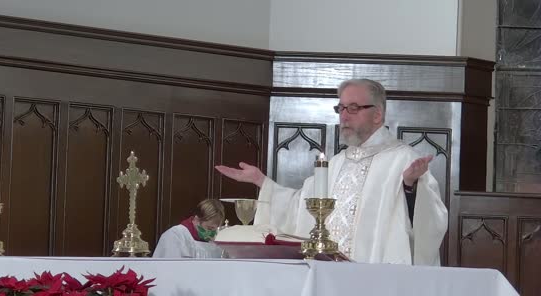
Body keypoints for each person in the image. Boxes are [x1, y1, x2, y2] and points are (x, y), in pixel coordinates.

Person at [215, 79, 448, 265]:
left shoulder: (402, 159)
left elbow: (431, 223)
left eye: (354, 108)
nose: (344, 115)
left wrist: (410, 187)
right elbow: (301, 207)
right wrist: (261, 181)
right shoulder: (336, 163)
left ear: (378, 114)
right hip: (329, 277)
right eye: (341, 108)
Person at [153, 199, 225, 258]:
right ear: (197, 220)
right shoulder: (175, 235)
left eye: (215, 229)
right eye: (209, 228)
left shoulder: (215, 242)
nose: (212, 233)